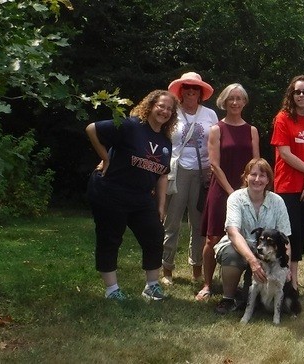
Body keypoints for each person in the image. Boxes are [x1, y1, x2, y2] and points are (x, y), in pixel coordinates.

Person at [86, 90, 178, 301]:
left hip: (141, 197)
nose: (164, 111)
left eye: (169, 109)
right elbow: (92, 129)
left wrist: (161, 205)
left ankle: (151, 287)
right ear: (150, 105)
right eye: (161, 106)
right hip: (110, 191)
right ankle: (112, 290)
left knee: (154, 236)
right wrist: (105, 159)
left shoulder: (165, 142)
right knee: (110, 238)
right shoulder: (131, 125)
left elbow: (163, 174)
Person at [196, 83, 260, 301]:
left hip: (246, 189)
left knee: (246, 236)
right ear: (224, 101)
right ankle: (207, 284)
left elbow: (256, 164)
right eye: (231, 98)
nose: (234, 102)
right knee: (212, 237)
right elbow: (214, 164)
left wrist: (248, 190)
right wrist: (233, 192)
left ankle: (244, 282)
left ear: (244, 102)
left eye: (239, 98)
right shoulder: (216, 129)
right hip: (221, 189)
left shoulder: (251, 130)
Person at [161, 72, 218, 285]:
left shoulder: (210, 115)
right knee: (172, 221)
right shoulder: (171, 112)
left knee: (199, 223)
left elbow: (216, 141)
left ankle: (196, 269)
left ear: (201, 92)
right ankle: (167, 269)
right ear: (181, 91)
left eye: (195, 88)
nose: (191, 91)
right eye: (187, 87)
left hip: (203, 172)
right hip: (177, 171)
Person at [213, 158, 291, 314]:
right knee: (231, 255)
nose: (257, 179)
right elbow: (233, 233)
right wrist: (253, 262)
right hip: (239, 246)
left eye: (262, 176)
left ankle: (245, 294)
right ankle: (227, 299)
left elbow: (286, 239)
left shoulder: (278, 202)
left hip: (267, 253)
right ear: (245, 177)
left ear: (268, 179)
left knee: (257, 305)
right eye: (253, 174)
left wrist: (286, 268)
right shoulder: (236, 198)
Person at [270, 75, 304, 290]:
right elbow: (285, 154)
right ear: (291, 95)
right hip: (288, 184)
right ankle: (286, 278)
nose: (301, 95)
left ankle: (293, 277)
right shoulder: (283, 118)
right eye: (297, 92)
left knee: (301, 231)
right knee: (288, 231)